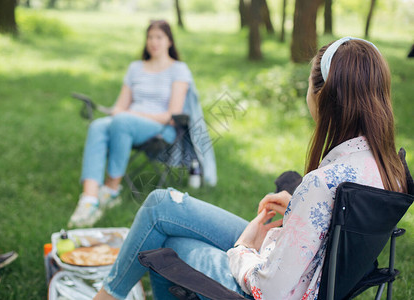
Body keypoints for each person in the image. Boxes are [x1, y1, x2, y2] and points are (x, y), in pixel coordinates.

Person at [93, 37, 408, 300]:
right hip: (297, 262)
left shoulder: (321, 184)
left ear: (320, 94)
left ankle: (105, 296)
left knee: (168, 241)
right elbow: (331, 231)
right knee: (161, 204)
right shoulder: (389, 168)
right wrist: (299, 211)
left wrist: (244, 248)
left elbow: (271, 291)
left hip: (269, 282)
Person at [68, 20, 194, 228]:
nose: (154, 42)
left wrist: (133, 114)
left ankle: (110, 190)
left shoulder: (178, 70)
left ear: (169, 41)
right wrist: (120, 113)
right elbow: (120, 106)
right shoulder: (135, 68)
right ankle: (89, 199)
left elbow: (172, 114)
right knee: (97, 126)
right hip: (126, 123)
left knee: (123, 121)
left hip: (161, 127)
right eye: (150, 37)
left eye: (159, 37)